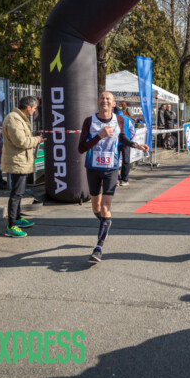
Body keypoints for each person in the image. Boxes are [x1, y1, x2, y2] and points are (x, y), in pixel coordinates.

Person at [78, 91, 149, 263]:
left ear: (113, 103)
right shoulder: (89, 121)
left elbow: (122, 138)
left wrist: (136, 145)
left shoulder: (119, 120)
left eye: (108, 99)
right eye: (102, 98)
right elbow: (81, 148)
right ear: (98, 102)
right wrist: (99, 136)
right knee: (96, 207)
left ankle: (99, 247)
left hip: (111, 169)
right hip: (93, 168)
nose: (105, 101)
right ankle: (106, 222)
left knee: (105, 206)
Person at [1, 96, 45, 238]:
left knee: (19, 193)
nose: (35, 111)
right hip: (17, 162)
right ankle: (11, 225)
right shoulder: (13, 119)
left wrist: (35, 140)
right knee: (16, 194)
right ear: (28, 107)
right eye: (34, 108)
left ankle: (18, 218)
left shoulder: (19, 118)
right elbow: (20, 141)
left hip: (21, 161)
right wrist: (36, 140)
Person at [114, 105, 136, 187]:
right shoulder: (128, 119)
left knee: (115, 161)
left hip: (115, 143)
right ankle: (124, 179)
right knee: (126, 161)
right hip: (126, 143)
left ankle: (116, 179)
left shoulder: (112, 119)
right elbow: (133, 131)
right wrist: (129, 139)